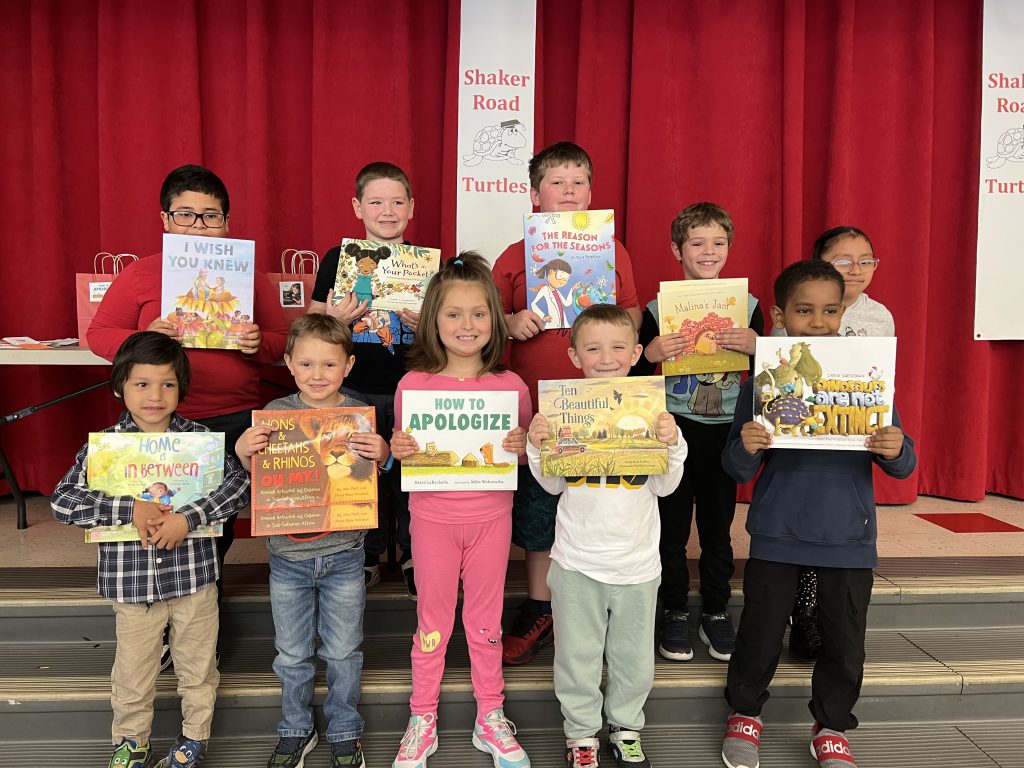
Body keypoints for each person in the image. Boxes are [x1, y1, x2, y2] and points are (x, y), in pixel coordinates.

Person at [719, 260, 916, 768]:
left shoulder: (867, 381)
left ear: (843, 312)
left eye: (831, 310)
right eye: (805, 311)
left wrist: (895, 449)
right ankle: (745, 714)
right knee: (760, 631)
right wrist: (747, 446)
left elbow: (902, 464)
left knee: (845, 639)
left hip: (848, 535)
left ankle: (831, 726)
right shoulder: (762, 383)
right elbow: (736, 467)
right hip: (777, 532)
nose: (819, 322)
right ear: (781, 316)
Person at [87, 164, 289, 602]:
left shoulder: (247, 275)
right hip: (160, 423)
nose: (198, 225)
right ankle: (158, 608)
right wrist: (144, 338)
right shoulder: (141, 274)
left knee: (215, 518)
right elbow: (99, 335)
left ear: (226, 221)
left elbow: (282, 343)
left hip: (232, 417)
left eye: (210, 215)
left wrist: (258, 343)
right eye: (185, 214)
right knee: (159, 515)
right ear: (165, 220)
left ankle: (202, 604)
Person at [51, 331, 250, 768]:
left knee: (197, 669)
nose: (155, 395)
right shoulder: (104, 449)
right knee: (134, 673)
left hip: (195, 581)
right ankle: (130, 742)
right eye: (142, 384)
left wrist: (189, 517)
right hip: (132, 587)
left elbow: (237, 485)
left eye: (167, 384)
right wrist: (128, 507)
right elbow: (62, 501)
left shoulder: (201, 441)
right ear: (120, 387)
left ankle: (194, 737)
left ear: (182, 388)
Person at [492, 141, 642, 666]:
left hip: (601, 404)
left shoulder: (613, 251)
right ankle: (542, 605)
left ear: (591, 194)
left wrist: (615, 348)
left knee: (599, 501)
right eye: (557, 182)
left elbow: (631, 311)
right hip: (538, 408)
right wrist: (509, 322)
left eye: (579, 182)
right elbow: (486, 324)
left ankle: (596, 603)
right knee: (539, 509)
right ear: (535, 195)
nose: (569, 190)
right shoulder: (514, 256)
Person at [526, 304, 686, 768]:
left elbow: (666, 486)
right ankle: (580, 735)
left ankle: (626, 726)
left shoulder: (655, 414)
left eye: (618, 347)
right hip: (576, 563)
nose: (607, 357)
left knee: (633, 658)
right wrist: (538, 446)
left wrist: (671, 443)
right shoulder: (561, 409)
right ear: (575, 355)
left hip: (637, 566)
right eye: (593, 348)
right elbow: (553, 484)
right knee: (577, 656)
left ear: (637, 352)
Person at [390, 253, 532, 768]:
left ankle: (489, 715)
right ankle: (421, 717)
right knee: (432, 621)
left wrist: (522, 445)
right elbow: (400, 447)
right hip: (432, 521)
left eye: (478, 313)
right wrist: (398, 448)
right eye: (453, 314)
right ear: (433, 320)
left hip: (492, 518)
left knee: (485, 620)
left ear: (494, 319)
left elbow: (527, 451)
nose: (466, 325)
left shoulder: (511, 387)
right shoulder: (413, 385)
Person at [236, 313, 391, 768]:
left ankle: (344, 728)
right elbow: (259, 477)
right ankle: (295, 729)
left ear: (348, 365)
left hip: (345, 554)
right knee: (292, 654)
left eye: (328, 364)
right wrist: (245, 451)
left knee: (344, 651)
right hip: (287, 557)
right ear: (288, 363)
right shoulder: (276, 416)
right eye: (306, 364)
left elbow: (371, 475)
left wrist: (381, 455)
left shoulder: (359, 416)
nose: (317, 374)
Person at [633, 202, 763, 664]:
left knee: (717, 527)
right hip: (674, 429)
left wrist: (758, 346)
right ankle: (672, 610)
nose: (709, 252)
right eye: (697, 243)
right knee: (669, 528)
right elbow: (634, 374)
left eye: (719, 243)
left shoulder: (749, 306)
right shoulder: (655, 308)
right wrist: (650, 351)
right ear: (677, 249)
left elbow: (770, 372)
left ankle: (714, 610)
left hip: (724, 432)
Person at [783, 226, 895, 659]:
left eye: (865, 260)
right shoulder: (800, 306)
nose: (856, 270)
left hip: (848, 433)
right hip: (800, 436)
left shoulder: (878, 317)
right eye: (842, 261)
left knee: (835, 523)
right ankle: (801, 612)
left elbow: (881, 380)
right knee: (802, 522)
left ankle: (816, 614)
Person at [310, 161, 419, 597]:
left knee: (411, 471)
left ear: (411, 207)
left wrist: (425, 318)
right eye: (376, 202)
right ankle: (369, 552)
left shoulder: (424, 263)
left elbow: (449, 323)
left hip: (413, 382)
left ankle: (412, 552)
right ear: (358, 207)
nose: (387, 211)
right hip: (352, 385)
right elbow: (313, 319)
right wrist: (334, 317)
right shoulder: (338, 259)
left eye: (396, 202)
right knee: (359, 471)